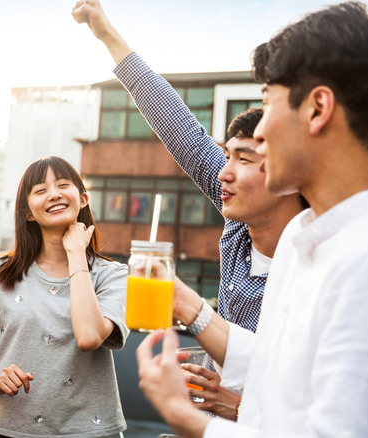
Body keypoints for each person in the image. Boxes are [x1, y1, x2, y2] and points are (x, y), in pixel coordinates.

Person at [133, 2, 368, 436]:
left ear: (318, 108)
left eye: (268, 103)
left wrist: (187, 418)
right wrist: (187, 304)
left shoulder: (367, 262)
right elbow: (273, 361)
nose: (260, 133)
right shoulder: (301, 239)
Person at [72, 0, 307, 420]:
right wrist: (107, 35)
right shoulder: (239, 222)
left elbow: (313, 388)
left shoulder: (315, 257)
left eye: (244, 160)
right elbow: (175, 122)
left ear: (287, 175)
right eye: (226, 157)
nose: (224, 173)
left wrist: (242, 406)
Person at [0, 156, 130, 438]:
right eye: (40, 190)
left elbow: (88, 338)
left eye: (62, 185)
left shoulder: (112, 274)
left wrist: (75, 254)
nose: (54, 194)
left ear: (83, 198)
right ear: (28, 213)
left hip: (88, 432)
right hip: (3, 428)